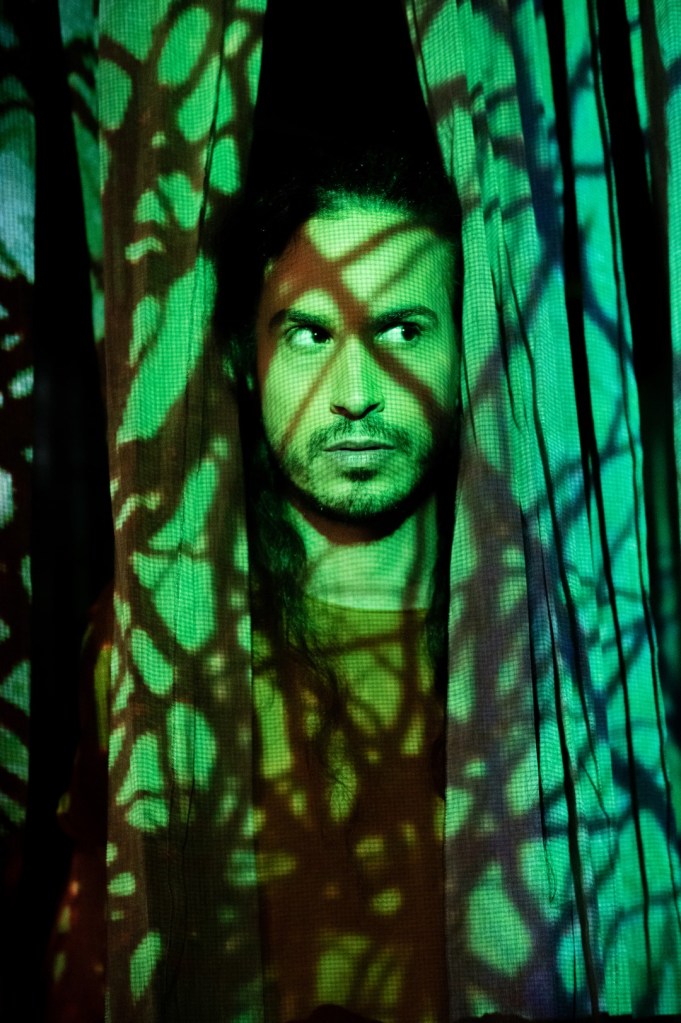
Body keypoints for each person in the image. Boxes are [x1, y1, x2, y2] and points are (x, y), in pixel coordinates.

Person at [215, 152, 462, 1023]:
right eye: (308, 334)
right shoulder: (168, 646)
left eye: (402, 330)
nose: (356, 394)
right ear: (246, 360)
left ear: (468, 350)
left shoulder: (555, 651)